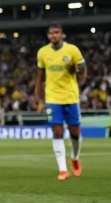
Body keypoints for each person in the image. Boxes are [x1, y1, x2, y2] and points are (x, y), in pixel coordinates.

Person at [34, 22, 87, 180]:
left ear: (62, 34)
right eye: (51, 33)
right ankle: (63, 169)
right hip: (52, 98)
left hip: (71, 97)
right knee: (57, 132)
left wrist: (76, 71)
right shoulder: (43, 53)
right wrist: (38, 97)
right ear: (48, 35)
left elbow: (83, 69)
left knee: (75, 133)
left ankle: (75, 158)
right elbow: (40, 76)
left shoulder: (72, 50)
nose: (54, 35)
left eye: (57, 32)